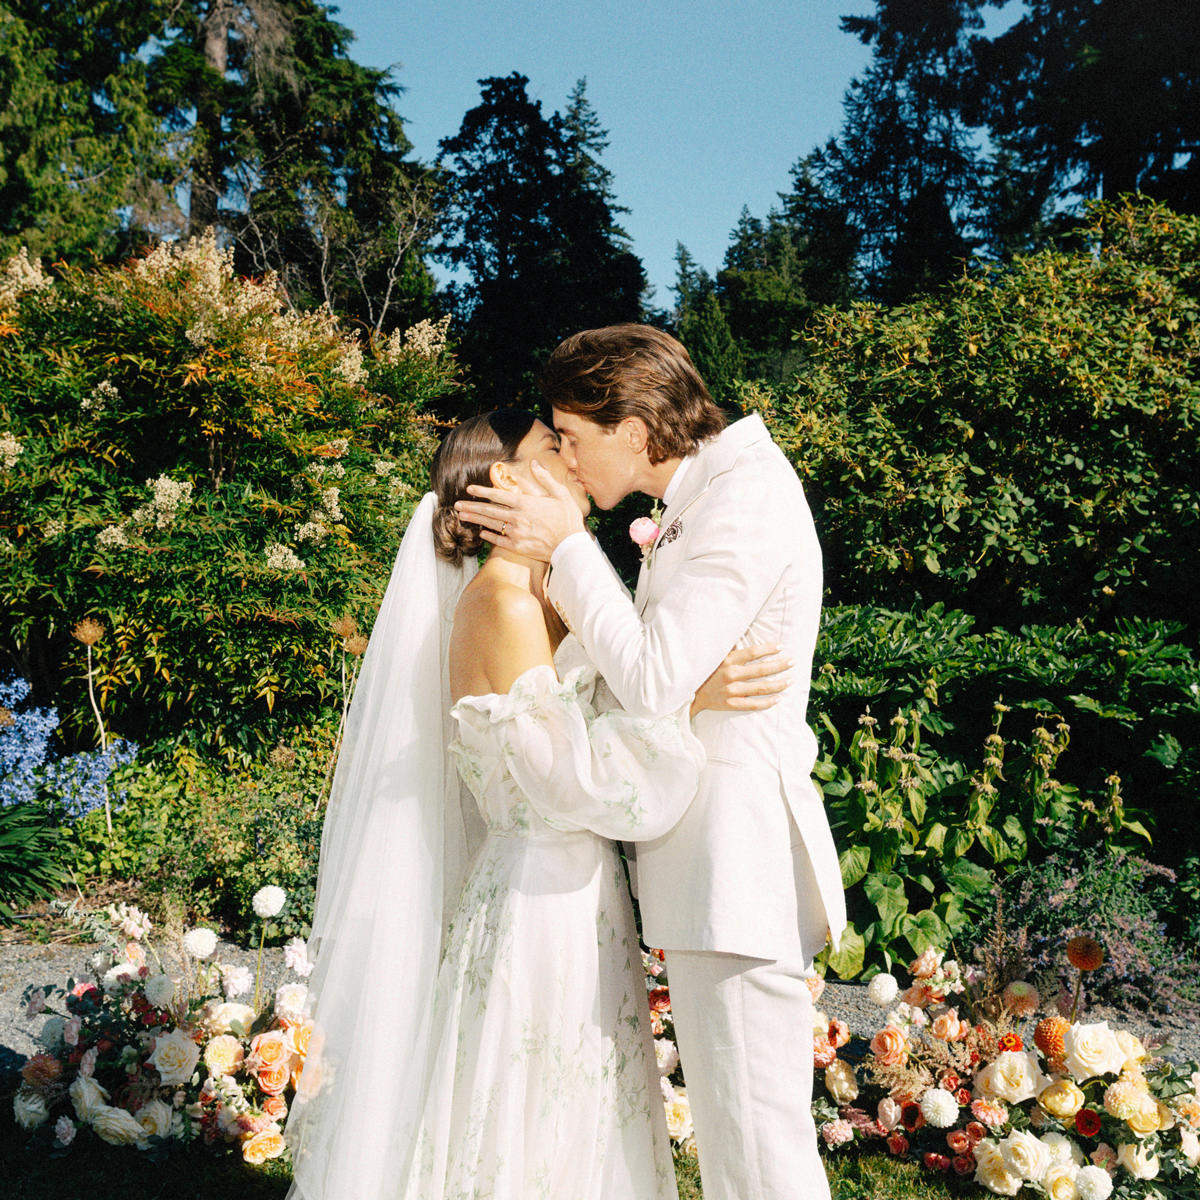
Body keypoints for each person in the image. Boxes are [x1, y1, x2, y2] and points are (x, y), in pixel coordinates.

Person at [284, 409, 790, 1200]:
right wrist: (689, 704)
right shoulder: (504, 606)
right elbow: (574, 781)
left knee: (584, 1112)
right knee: (536, 1117)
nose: (574, 459)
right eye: (553, 446)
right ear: (505, 481)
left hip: (580, 893)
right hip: (538, 900)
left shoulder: (549, 596)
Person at [454, 326, 848, 1200]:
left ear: (633, 431)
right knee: (743, 1150)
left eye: (571, 435)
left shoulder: (745, 494)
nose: (565, 457)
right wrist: (690, 689)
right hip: (708, 871)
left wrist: (568, 545)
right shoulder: (703, 499)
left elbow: (651, 679)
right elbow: (662, 677)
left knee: (760, 1159)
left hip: (738, 865)